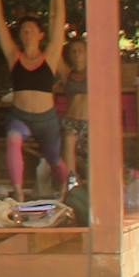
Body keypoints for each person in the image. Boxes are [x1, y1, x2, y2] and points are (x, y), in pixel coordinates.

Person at [0, 0, 69, 197]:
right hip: (20, 115)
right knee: (13, 138)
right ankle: (18, 192)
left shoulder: (50, 56)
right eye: (23, 31)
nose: (26, 34)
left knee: (55, 159)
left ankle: (66, 186)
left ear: (40, 35)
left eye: (31, 30)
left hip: (47, 119)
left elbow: (60, 23)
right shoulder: (14, 55)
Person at [60, 35, 89, 183]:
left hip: (91, 122)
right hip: (71, 121)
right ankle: (71, 184)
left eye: (80, 50)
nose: (77, 54)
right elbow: (55, 48)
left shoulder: (95, 72)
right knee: (68, 139)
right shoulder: (67, 74)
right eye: (73, 51)